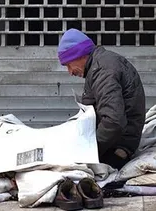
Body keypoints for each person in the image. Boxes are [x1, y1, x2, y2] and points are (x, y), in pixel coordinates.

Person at [57, 28, 145, 169]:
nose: (70, 72)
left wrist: (88, 150)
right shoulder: (99, 65)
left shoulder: (102, 70)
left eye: (68, 65)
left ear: (79, 55)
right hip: (114, 142)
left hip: (117, 148)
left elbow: (114, 121)